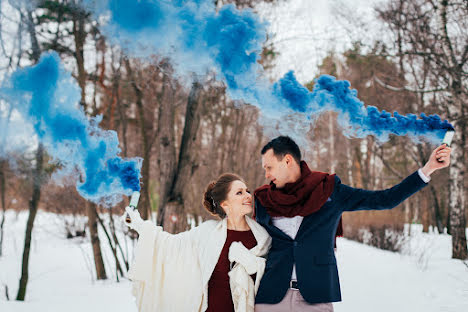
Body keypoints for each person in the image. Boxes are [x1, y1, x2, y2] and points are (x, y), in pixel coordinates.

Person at [253, 136, 452, 312]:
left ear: (287, 160)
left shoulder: (328, 190)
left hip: (314, 298)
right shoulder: (263, 199)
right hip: (270, 297)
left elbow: (385, 199)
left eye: (268, 167)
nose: (266, 174)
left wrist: (428, 169)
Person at [124, 173, 271, 312]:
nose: (248, 196)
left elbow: (275, 277)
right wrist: (137, 223)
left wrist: (250, 262)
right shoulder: (208, 233)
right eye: (239, 193)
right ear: (225, 204)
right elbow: (169, 245)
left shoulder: (263, 237)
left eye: (247, 191)